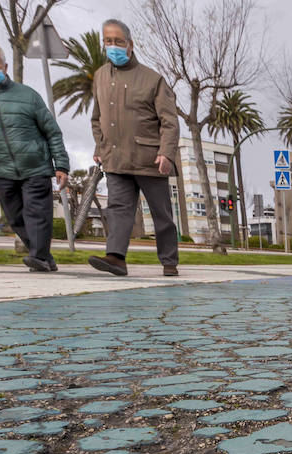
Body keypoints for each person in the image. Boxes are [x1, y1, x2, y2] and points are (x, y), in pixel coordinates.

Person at [0, 38, 70, 272]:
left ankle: (38, 257)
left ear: (5, 66)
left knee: (36, 213)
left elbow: (52, 131)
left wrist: (61, 165)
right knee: (16, 217)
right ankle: (43, 256)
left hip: (35, 165)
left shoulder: (28, 95)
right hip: (4, 168)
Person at [88, 18, 180, 278]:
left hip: (150, 159)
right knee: (117, 208)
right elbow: (97, 118)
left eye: (118, 41)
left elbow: (170, 122)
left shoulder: (153, 79)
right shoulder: (100, 77)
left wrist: (166, 152)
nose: (113, 46)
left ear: (130, 44)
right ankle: (116, 258)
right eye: (108, 41)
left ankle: (169, 261)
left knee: (162, 214)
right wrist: (100, 144)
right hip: (115, 159)